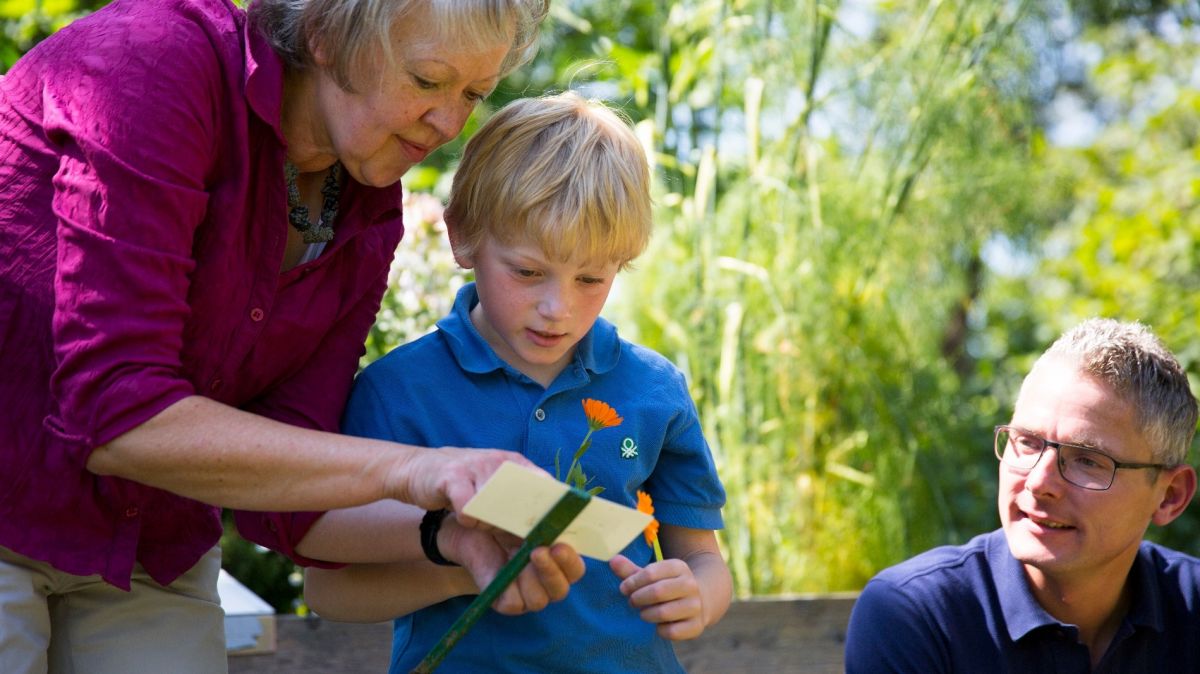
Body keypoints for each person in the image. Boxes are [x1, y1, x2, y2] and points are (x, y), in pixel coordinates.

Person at [0, 1, 586, 672]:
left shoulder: (366, 212)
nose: (451, 123)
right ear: (325, 35)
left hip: (145, 547)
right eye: (428, 80)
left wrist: (446, 538)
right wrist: (420, 468)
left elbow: (290, 504)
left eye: (473, 94)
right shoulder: (154, 61)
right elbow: (115, 409)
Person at [301, 91, 733, 673]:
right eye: (528, 272)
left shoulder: (654, 390)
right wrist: (468, 563)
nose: (558, 307)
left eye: (591, 278)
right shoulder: (396, 392)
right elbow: (330, 592)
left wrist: (697, 597)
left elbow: (705, 561)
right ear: (462, 237)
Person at [844, 318, 1200, 673]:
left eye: (1088, 460)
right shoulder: (915, 615)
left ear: (1170, 495)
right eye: (1027, 442)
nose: (1038, 481)